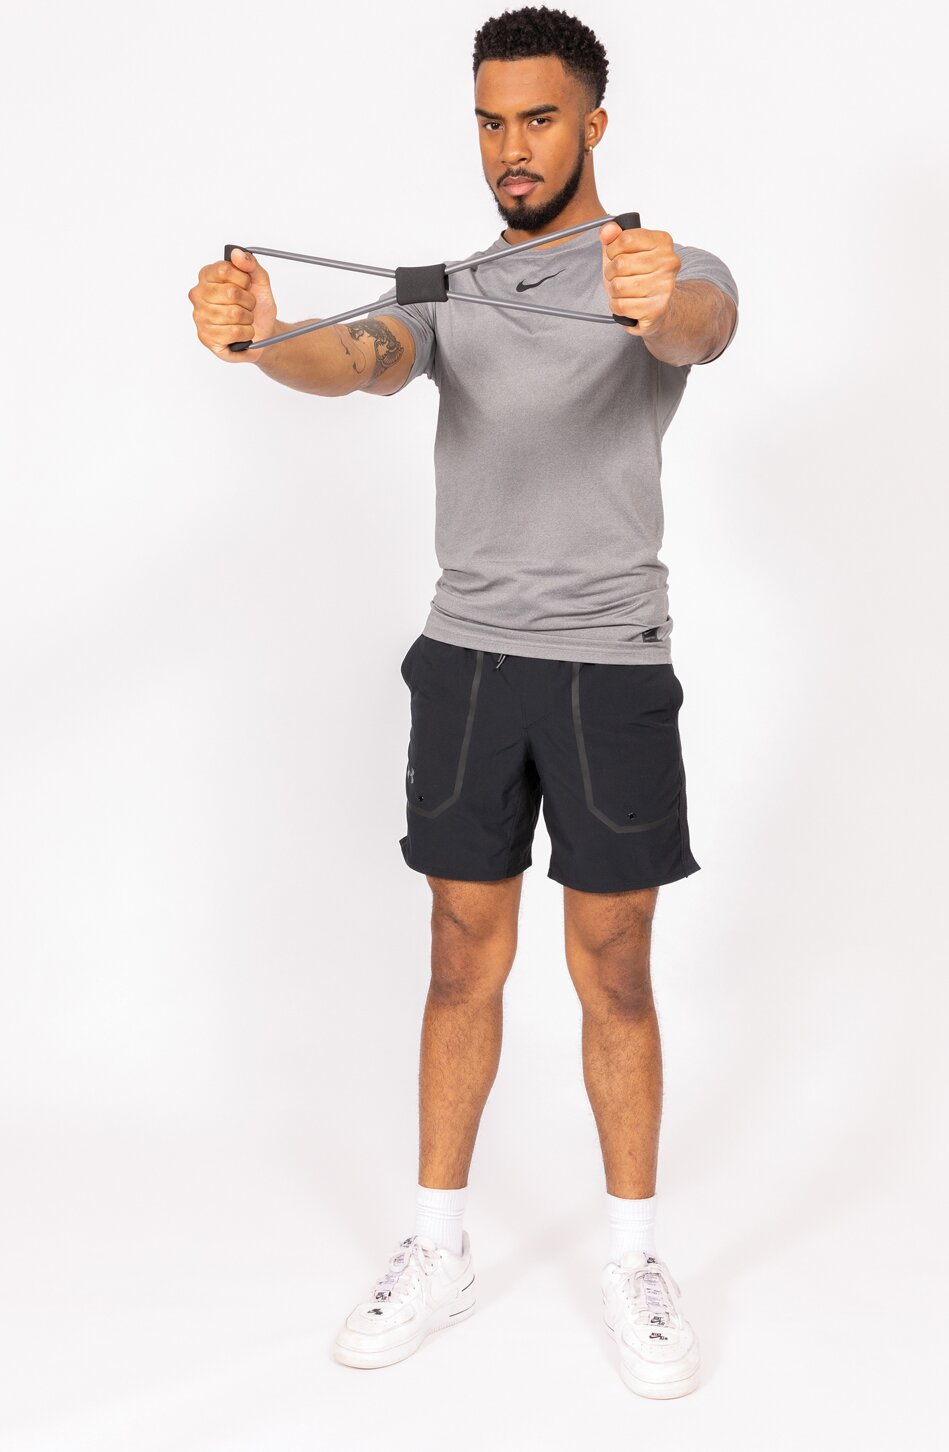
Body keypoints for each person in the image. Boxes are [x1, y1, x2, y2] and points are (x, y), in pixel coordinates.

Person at [188, 4, 738, 1401]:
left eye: (539, 118)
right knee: (457, 958)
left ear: (592, 125)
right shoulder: (454, 292)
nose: (512, 147)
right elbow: (355, 358)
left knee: (614, 968)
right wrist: (262, 338)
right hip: (469, 661)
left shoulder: (661, 267)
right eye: (492, 122)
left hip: (610, 662)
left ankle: (633, 1260)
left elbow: (700, 329)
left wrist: (656, 298)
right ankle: (437, 1246)